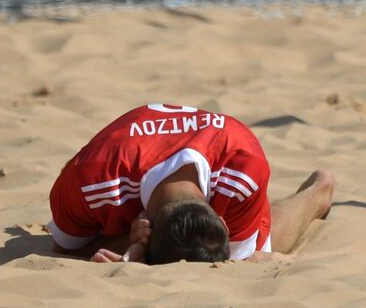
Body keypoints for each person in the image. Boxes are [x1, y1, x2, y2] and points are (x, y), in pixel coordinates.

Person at [47, 103, 334, 263]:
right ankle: (317, 193)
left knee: (259, 250)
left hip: (221, 149)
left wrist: (133, 248)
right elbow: (64, 246)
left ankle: (317, 191)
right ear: (222, 223)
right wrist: (130, 244)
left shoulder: (244, 166)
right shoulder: (92, 178)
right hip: (126, 155)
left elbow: (238, 261)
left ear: (224, 223)